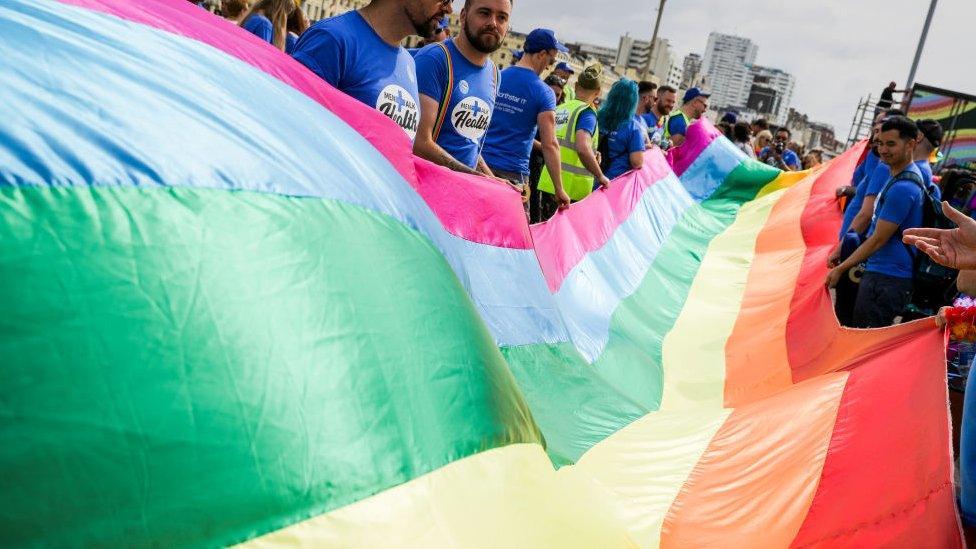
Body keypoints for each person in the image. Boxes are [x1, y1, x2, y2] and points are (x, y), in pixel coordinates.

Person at [292, 0, 452, 141]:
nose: (449, 9)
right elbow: (293, 129)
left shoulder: (408, 61)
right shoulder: (332, 39)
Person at [826, 116, 926, 328]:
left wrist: (841, 268)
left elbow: (878, 239)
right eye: (880, 143)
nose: (883, 150)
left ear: (910, 144)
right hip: (881, 274)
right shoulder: (896, 175)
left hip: (887, 279)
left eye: (891, 144)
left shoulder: (903, 186)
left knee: (862, 341)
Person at [413, 0, 509, 176]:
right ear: (464, 16)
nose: (493, 23)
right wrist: (471, 177)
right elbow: (419, 142)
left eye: (501, 17)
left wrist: (494, 182)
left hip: (460, 193)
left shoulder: (495, 73)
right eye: (484, 13)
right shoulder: (435, 59)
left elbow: (470, 144)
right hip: (424, 188)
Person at [482, 29, 570, 213]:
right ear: (541, 54)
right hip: (513, 174)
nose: (549, 67)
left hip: (480, 166)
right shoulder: (544, 92)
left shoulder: (496, 76)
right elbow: (550, 144)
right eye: (551, 60)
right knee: (512, 238)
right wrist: (559, 188)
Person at [537, 64, 609, 221]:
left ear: (576, 86)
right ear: (598, 93)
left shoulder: (561, 108)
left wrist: (592, 153)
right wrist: (600, 175)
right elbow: (582, 148)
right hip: (571, 190)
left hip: (550, 181)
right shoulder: (587, 113)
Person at [599, 79, 645, 180]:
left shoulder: (598, 117)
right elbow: (637, 162)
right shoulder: (633, 128)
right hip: (613, 182)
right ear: (633, 101)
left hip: (592, 176)